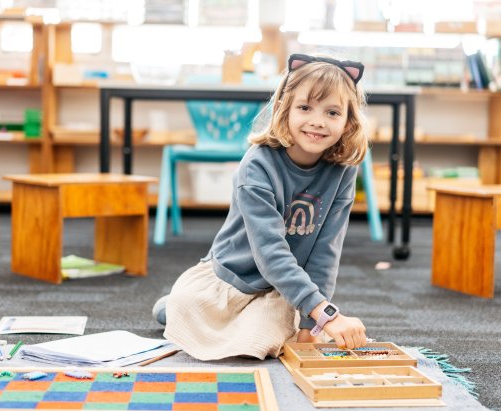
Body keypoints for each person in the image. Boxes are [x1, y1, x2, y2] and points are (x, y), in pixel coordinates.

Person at [153, 54, 369, 361]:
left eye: (332, 112)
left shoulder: (343, 171)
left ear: (348, 122)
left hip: (281, 288)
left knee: (262, 342)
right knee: (188, 307)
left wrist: (311, 324)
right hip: (232, 278)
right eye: (305, 108)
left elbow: (325, 253)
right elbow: (270, 253)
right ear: (284, 108)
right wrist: (329, 317)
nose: (318, 121)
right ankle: (174, 309)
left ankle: (205, 321)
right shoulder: (257, 165)